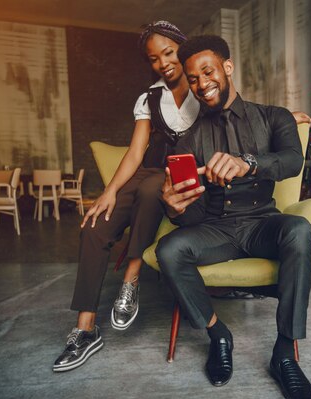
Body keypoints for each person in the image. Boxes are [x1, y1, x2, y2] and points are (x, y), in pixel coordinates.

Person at [156, 35, 311, 399]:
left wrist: (250, 163)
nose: (201, 83)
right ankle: (218, 336)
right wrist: (174, 208)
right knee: (169, 248)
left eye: (207, 71)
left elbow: (293, 161)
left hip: (262, 222)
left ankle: (285, 354)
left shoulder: (274, 117)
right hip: (217, 227)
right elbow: (191, 214)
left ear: (227, 67)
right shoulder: (189, 140)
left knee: (298, 230)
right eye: (192, 78)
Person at [52, 21, 200, 372]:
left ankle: (130, 280)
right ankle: (85, 328)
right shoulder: (149, 97)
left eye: (168, 52)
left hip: (181, 179)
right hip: (147, 172)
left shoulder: (202, 86)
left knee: (152, 189)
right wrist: (108, 192)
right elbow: (135, 153)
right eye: (154, 58)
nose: (163, 63)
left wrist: (285, 117)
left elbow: (241, 111)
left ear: (183, 47)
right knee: (94, 226)